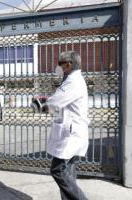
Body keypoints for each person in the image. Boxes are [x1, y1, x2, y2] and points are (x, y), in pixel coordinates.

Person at [44, 51, 89, 200]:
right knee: (68, 172)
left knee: (58, 171)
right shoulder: (70, 80)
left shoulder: (73, 82)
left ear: (68, 65)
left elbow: (54, 103)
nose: (59, 67)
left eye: (60, 64)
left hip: (71, 134)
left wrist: (38, 105)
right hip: (72, 131)